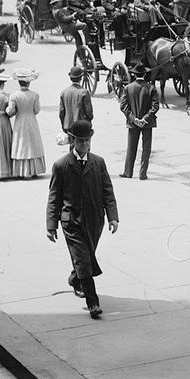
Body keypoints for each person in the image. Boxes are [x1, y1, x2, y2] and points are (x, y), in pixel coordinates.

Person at [46, 119, 119, 318]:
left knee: (85, 258)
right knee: (83, 260)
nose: (84, 145)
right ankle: (93, 302)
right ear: (72, 141)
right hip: (72, 222)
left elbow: (107, 191)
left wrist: (113, 217)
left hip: (95, 221)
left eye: (87, 141)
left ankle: (75, 279)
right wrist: (51, 225)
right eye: (80, 141)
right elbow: (54, 197)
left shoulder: (98, 162)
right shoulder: (61, 165)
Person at [119, 63, 160, 180]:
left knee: (131, 147)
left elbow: (123, 106)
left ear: (134, 74)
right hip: (148, 123)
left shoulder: (128, 88)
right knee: (146, 149)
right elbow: (155, 106)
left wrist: (134, 119)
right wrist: (145, 118)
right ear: (145, 74)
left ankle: (128, 172)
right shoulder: (151, 88)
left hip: (133, 124)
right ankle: (143, 173)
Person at [8, 68, 46, 178]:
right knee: (33, 144)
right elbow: (37, 110)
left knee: (21, 144)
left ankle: (21, 171)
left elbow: (10, 111)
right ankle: (34, 170)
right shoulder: (34, 95)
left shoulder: (14, 95)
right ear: (29, 83)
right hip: (31, 120)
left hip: (20, 121)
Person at [59, 65, 94, 145]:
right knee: (84, 148)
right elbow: (89, 112)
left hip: (69, 125)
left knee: (72, 149)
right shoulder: (84, 92)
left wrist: (64, 126)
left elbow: (61, 112)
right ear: (81, 78)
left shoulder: (64, 92)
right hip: (82, 125)